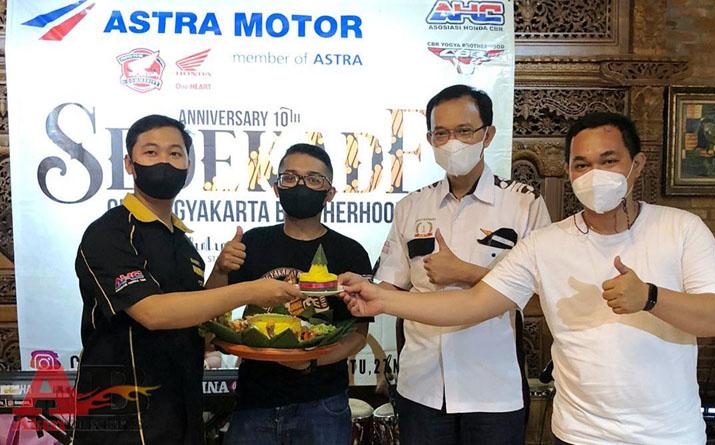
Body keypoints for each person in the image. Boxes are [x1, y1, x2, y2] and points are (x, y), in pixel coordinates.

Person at [341, 112, 715, 445]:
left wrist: (650, 297)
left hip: (670, 433)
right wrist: (383, 299)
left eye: (608, 161)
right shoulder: (545, 244)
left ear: (636, 164)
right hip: (578, 433)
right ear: (568, 172)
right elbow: (471, 303)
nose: (594, 174)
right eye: (581, 165)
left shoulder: (681, 228)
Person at [73, 115, 302, 444]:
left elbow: (197, 320)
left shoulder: (184, 244)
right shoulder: (110, 233)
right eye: (151, 152)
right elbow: (152, 313)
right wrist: (250, 291)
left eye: (175, 153)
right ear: (129, 164)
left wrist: (220, 271)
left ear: (188, 166)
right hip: (123, 418)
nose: (164, 161)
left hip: (181, 410)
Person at [370, 84, 551, 444]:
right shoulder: (411, 207)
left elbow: (541, 298)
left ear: (488, 135)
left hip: (493, 388)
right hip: (422, 385)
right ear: (430, 139)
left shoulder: (523, 204)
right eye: (441, 133)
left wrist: (468, 274)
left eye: (464, 131)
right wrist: (352, 290)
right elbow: (389, 287)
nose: (452, 142)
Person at [206, 143, 372, 445]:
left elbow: (358, 335)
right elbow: (209, 312)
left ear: (330, 193)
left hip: (322, 403)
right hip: (254, 401)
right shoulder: (252, 242)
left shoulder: (350, 252)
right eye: (290, 177)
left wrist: (311, 363)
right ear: (277, 188)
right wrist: (219, 269)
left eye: (313, 179)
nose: (300, 185)